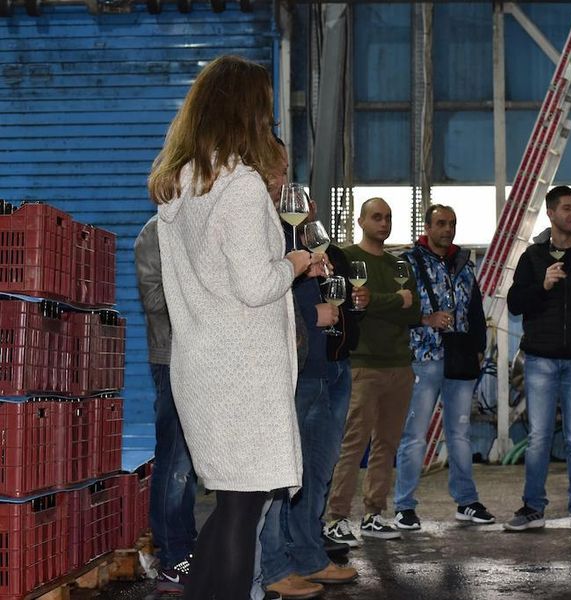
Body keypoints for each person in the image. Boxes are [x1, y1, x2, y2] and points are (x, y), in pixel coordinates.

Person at [148, 55, 321, 600]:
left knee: (234, 505)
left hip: (201, 365)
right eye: (265, 109)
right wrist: (300, 261)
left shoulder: (182, 186)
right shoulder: (241, 187)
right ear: (246, 111)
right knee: (242, 508)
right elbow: (255, 285)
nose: (270, 120)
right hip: (241, 372)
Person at [259, 197, 364, 595]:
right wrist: (309, 316)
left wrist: (353, 308)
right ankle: (276, 564)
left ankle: (307, 555)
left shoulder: (312, 243)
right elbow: (252, 301)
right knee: (286, 475)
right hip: (299, 372)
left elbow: (337, 298)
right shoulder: (266, 238)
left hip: (332, 366)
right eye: (280, 177)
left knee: (317, 472)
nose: (306, 202)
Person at [504, 185, 571, 532]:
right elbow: (515, 304)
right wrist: (543, 286)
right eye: (566, 208)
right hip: (540, 361)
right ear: (550, 213)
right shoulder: (532, 258)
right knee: (539, 438)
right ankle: (533, 508)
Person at [324, 197, 421, 544]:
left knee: (387, 445)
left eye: (388, 217)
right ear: (361, 221)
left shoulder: (400, 266)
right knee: (352, 445)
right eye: (377, 217)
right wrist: (396, 301)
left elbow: (415, 312)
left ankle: (373, 514)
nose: (384, 223)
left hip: (400, 366)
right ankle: (335, 517)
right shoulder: (348, 258)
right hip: (363, 366)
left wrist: (381, 302)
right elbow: (354, 302)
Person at [393, 204, 493, 530]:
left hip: (461, 359)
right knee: (415, 435)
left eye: (451, 223)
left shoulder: (465, 265)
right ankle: (404, 506)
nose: (447, 229)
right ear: (427, 226)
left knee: (460, 434)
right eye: (440, 223)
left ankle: (467, 501)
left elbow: (476, 309)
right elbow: (395, 308)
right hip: (423, 359)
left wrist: (479, 348)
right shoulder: (406, 263)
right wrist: (426, 320)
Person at [135, 215, 197, 593]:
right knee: (174, 463)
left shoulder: (199, 223)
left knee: (188, 470)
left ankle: (186, 552)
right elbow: (154, 299)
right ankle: (174, 561)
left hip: (201, 360)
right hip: (172, 358)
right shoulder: (155, 232)